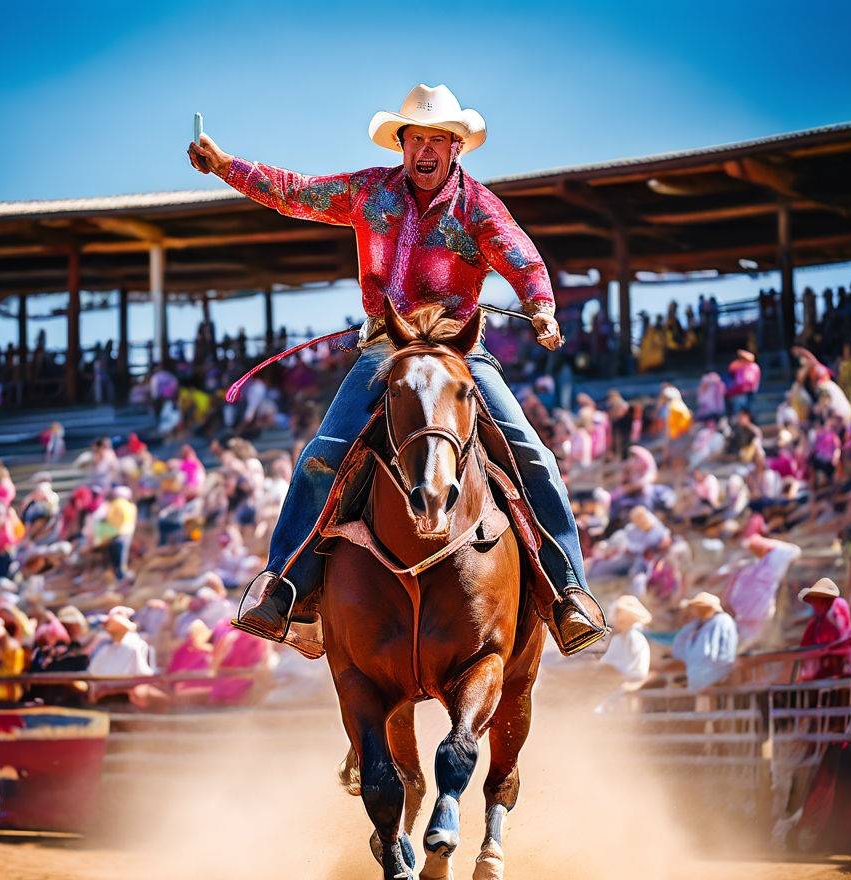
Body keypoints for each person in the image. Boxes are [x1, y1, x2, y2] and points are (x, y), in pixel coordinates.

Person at [188, 83, 607, 656]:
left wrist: (541, 305)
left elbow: (519, 253)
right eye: (417, 139)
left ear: (456, 147)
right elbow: (296, 193)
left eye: (438, 139)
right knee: (321, 454)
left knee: (532, 454)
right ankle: (282, 585)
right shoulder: (368, 192)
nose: (426, 150)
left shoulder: (477, 206)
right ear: (402, 144)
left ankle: (569, 591)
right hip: (385, 348)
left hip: (458, 352)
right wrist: (225, 166)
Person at [671, 592, 738, 691]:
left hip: (714, 682)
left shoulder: (723, 621)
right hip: (697, 681)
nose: (695, 610)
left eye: (698, 607)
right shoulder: (698, 625)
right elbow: (678, 646)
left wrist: (716, 676)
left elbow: (726, 656)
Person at [797, 578, 851, 682]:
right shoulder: (815, 623)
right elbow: (804, 648)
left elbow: (843, 640)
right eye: (812, 601)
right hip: (822, 675)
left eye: (815, 601)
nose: (813, 605)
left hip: (839, 672)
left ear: (823, 600)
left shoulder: (838, 608)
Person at [599, 595, 652, 689]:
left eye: (618, 613)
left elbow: (639, 672)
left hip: (627, 688)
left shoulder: (635, 638)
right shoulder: (617, 640)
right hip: (612, 685)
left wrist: (616, 674)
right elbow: (605, 663)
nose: (615, 618)